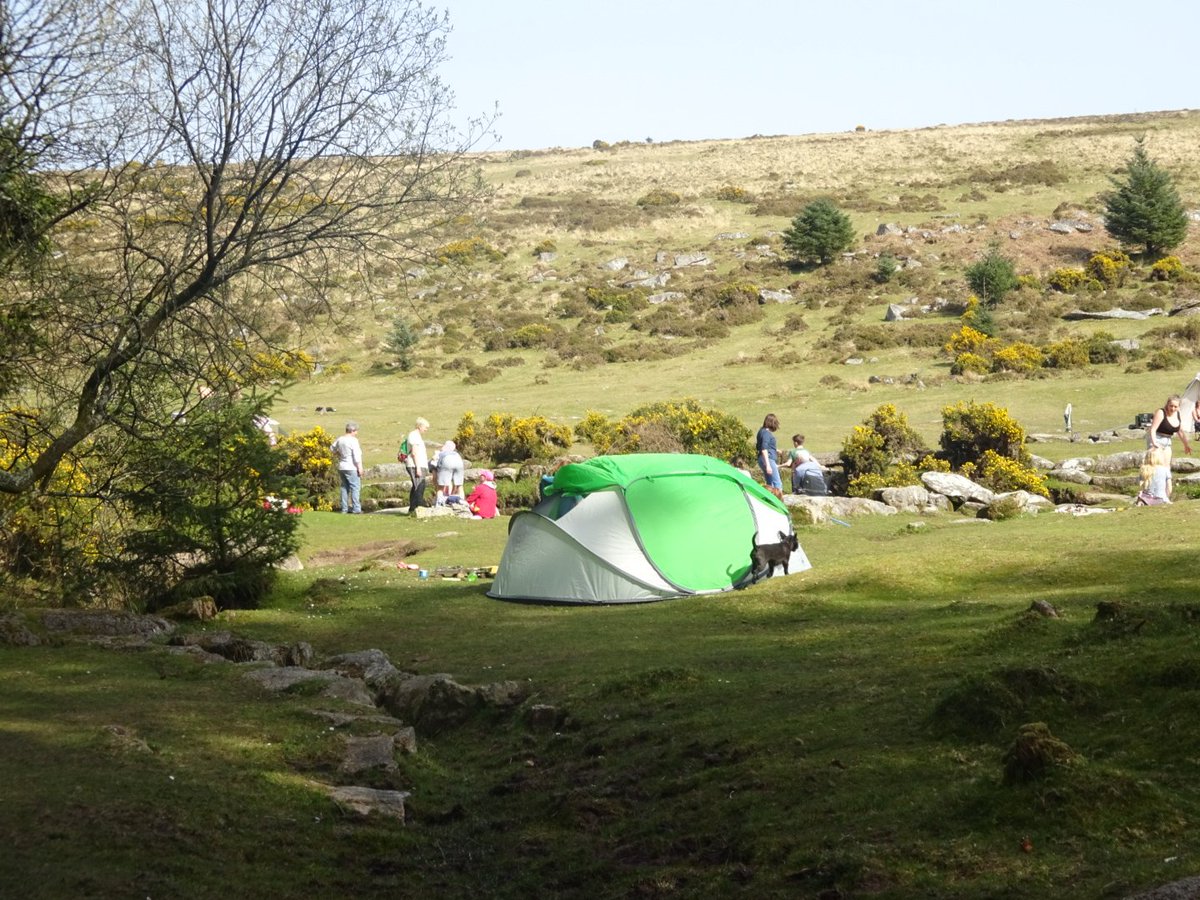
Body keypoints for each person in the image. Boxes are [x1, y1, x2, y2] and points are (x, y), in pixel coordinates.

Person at [330, 421, 364, 514]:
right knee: (355, 487)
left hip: (342, 466)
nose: (356, 433)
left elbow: (332, 448)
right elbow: (357, 456)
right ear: (352, 430)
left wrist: (338, 454)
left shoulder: (340, 439)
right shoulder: (353, 441)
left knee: (344, 488)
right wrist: (360, 468)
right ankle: (356, 509)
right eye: (356, 431)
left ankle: (344, 509)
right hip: (351, 467)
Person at [405, 417, 430, 513]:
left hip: (419, 464)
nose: (426, 429)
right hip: (415, 465)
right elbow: (414, 453)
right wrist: (418, 468)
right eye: (425, 427)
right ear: (420, 426)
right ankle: (419, 507)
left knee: (417, 485)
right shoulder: (414, 435)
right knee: (420, 485)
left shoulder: (417, 436)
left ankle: (412, 508)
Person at [756, 413, 782, 498]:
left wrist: (775, 450)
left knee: (770, 484)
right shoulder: (767, 433)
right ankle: (779, 502)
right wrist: (768, 465)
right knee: (776, 483)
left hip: (761, 458)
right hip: (768, 459)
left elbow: (760, 446)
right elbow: (764, 448)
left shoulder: (761, 431)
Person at [434, 440, 465, 506]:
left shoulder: (442, 453)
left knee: (441, 487)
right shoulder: (456, 453)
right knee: (459, 485)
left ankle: (439, 503)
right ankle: (462, 501)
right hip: (459, 461)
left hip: (447, 461)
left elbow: (437, 463)